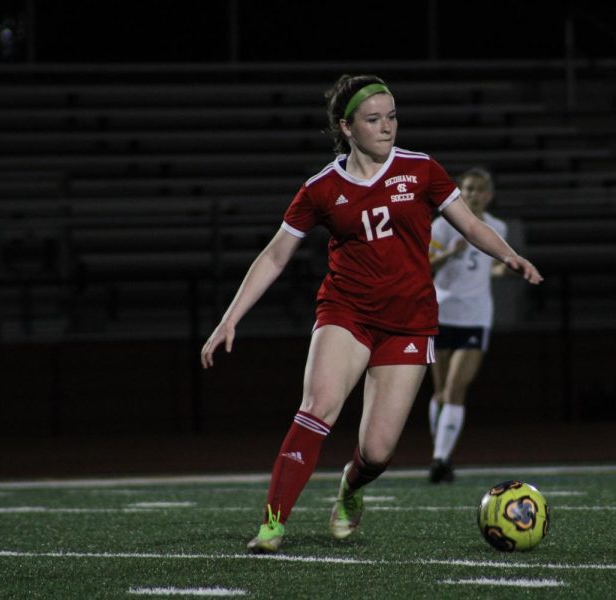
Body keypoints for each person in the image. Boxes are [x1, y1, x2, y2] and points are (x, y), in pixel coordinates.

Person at [200, 74, 543, 554]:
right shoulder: (321, 188)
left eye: (393, 116)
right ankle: (272, 526)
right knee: (316, 407)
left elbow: (467, 223)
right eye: (374, 119)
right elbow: (276, 255)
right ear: (346, 127)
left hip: (409, 320)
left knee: (378, 452)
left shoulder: (422, 170)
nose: (388, 127)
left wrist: (509, 255)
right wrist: (230, 317)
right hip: (347, 311)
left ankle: (351, 487)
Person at [427, 167, 507, 483]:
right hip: (442, 312)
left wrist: (508, 269)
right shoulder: (443, 226)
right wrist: (450, 252)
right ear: (460, 192)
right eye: (468, 189)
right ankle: (441, 452)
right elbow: (424, 264)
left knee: (455, 388)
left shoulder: (497, 226)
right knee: (441, 393)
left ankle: (440, 459)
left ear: (488, 195)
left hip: (475, 315)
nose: (473, 194)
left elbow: (495, 266)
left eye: (479, 190)